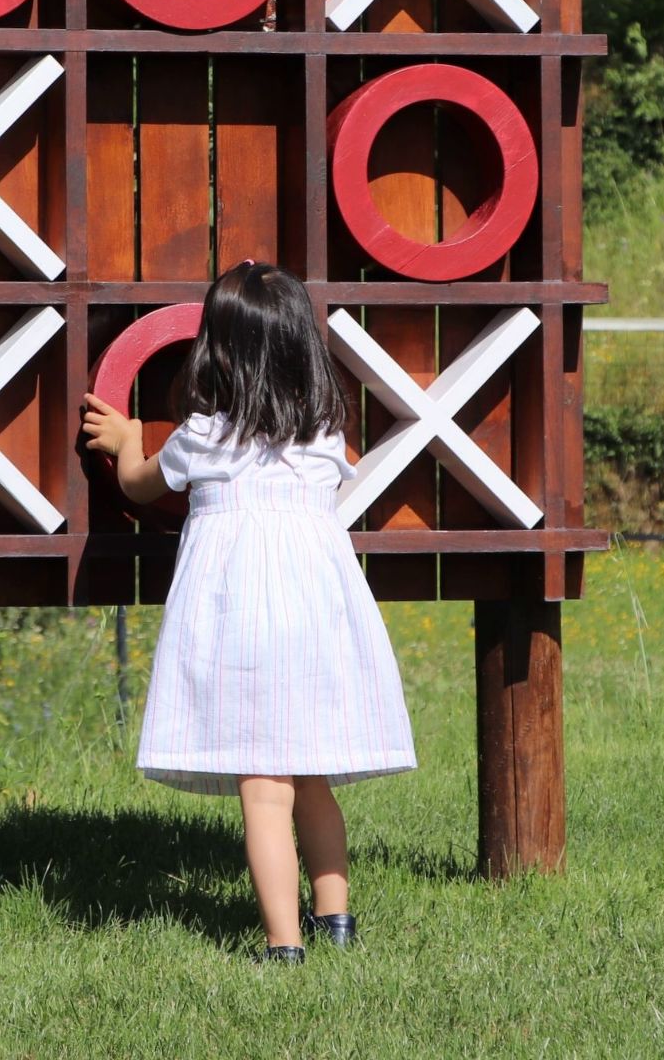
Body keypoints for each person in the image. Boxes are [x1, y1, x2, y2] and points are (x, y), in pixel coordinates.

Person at [81, 262, 417, 964]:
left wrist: (127, 440)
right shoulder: (322, 435)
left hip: (245, 625)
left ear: (216, 350)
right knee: (314, 777)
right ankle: (336, 920)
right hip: (318, 618)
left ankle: (282, 944)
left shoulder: (204, 434)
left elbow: (141, 487)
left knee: (264, 789)